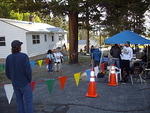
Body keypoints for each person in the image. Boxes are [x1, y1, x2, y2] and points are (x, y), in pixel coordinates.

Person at [5, 40, 33, 113]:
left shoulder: (8, 58)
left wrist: (12, 79)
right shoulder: (24, 56)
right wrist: (29, 80)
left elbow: (7, 72)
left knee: (19, 102)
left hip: (15, 84)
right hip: (25, 83)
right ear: (19, 47)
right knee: (28, 102)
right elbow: (28, 71)